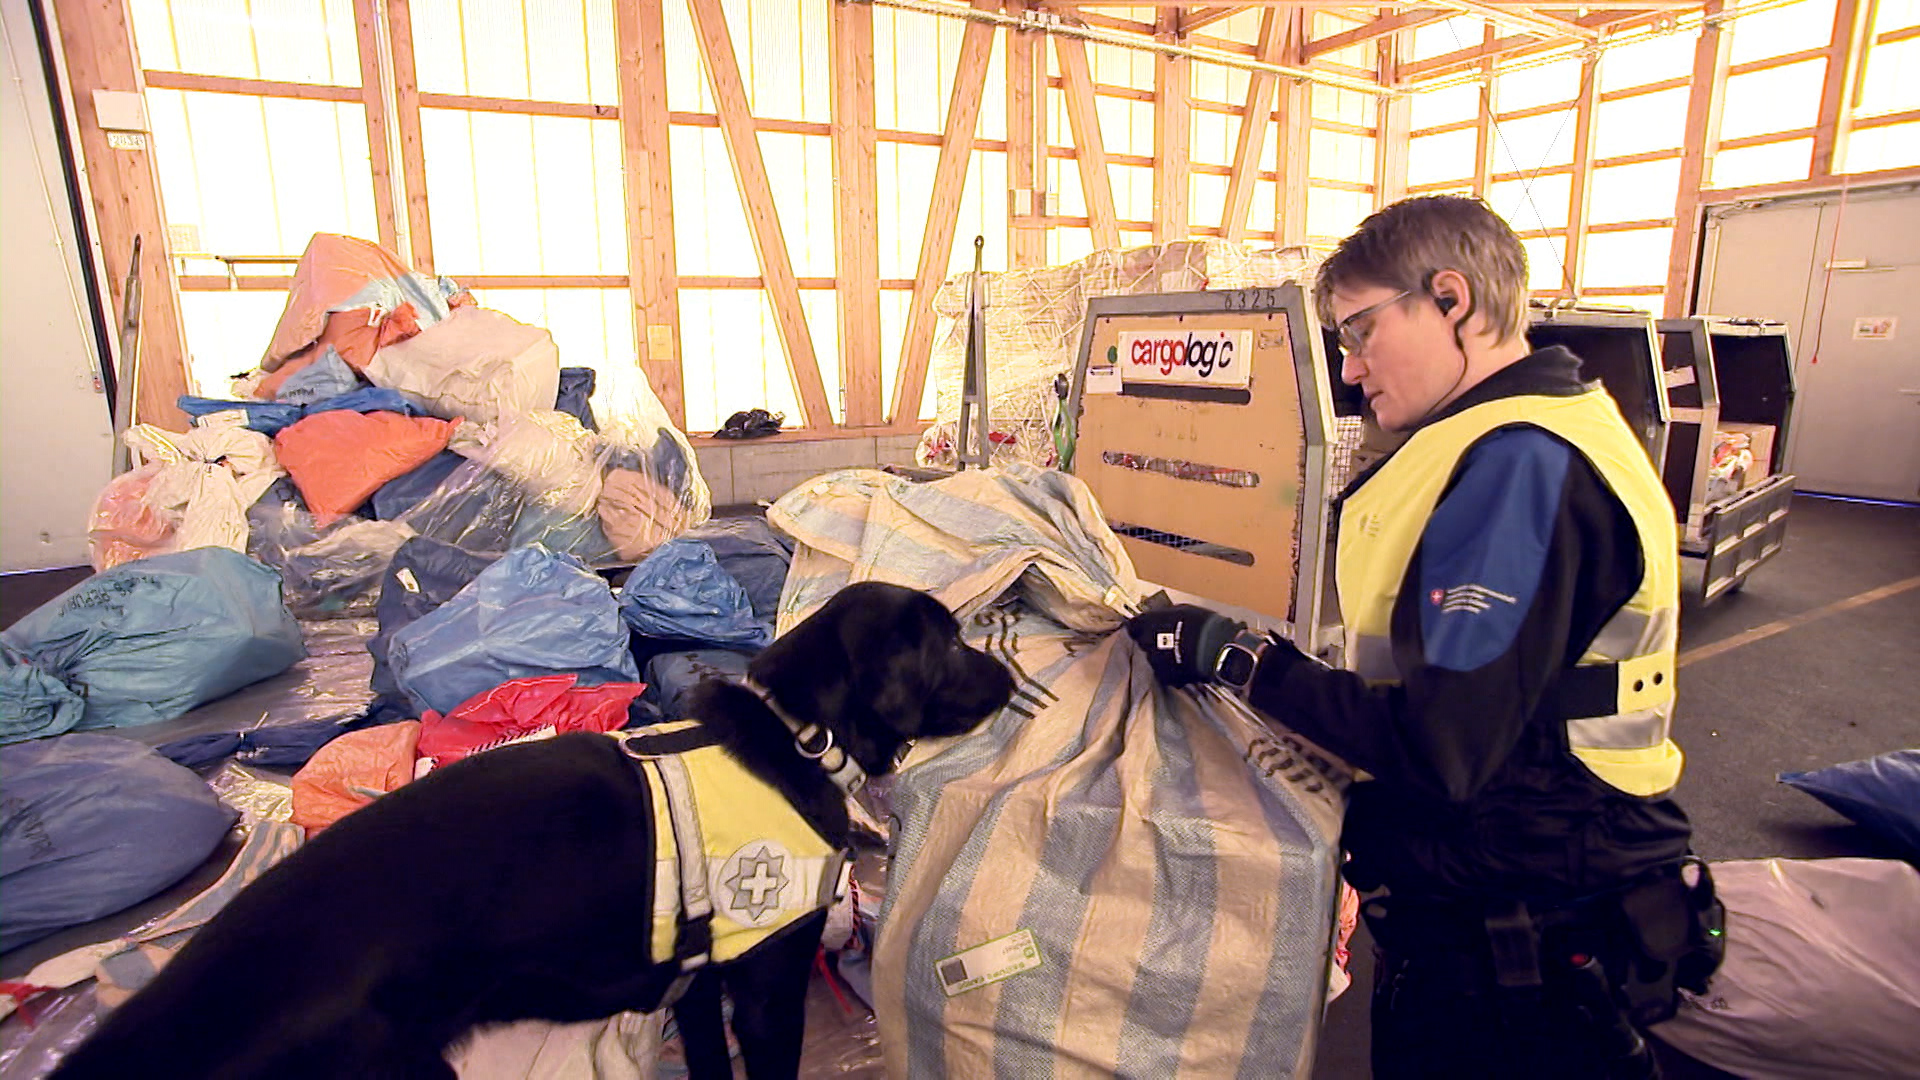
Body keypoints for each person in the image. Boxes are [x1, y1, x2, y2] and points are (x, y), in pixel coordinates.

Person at [1126, 196, 1723, 1079]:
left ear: (1452, 300)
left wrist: (1242, 660)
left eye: (1361, 331)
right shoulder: (1540, 427)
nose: (1350, 366)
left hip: (1523, 924)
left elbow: (1442, 744)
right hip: (1531, 885)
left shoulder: (1518, 467)